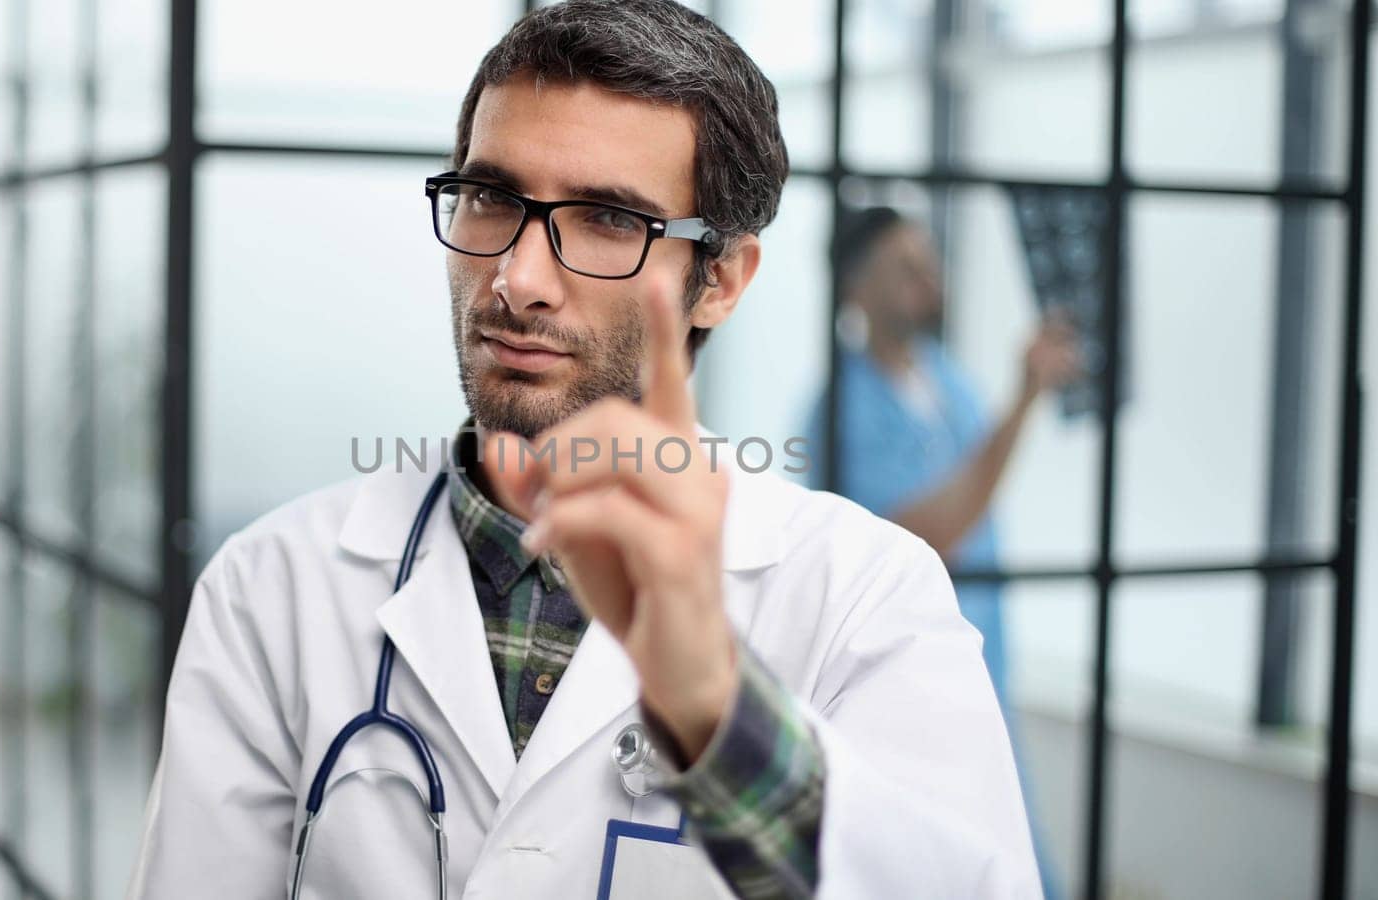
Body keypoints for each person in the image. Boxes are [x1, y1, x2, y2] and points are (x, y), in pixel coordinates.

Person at [127, 4, 1038, 898]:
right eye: (490, 198)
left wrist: (715, 710)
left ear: (718, 280)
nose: (517, 280)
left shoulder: (865, 597)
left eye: (607, 218)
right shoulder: (270, 590)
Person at [805, 207, 1080, 897]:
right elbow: (930, 532)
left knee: (1008, 850)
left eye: (929, 261)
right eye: (905, 267)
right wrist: (1023, 399)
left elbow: (977, 490)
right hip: (898, 677)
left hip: (987, 657)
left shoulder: (947, 378)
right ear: (854, 290)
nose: (930, 278)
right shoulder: (839, 408)